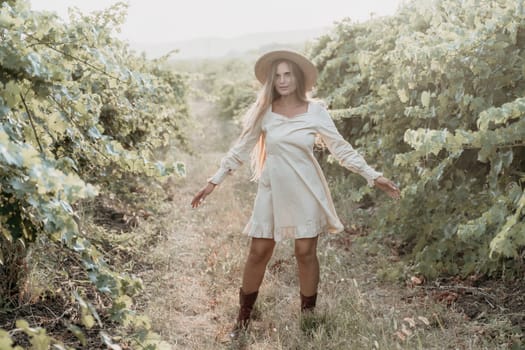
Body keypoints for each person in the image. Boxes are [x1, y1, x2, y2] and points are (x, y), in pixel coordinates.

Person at [191, 49, 400, 337]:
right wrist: (213, 181)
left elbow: (340, 148)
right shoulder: (265, 111)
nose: (283, 80)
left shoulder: (316, 111)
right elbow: (242, 148)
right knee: (258, 251)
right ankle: (242, 320)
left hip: (305, 187)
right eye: (277, 76)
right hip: (272, 189)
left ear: (298, 77)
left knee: (305, 251)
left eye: (288, 74)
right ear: (271, 81)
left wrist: (373, 175)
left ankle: (308, 318)